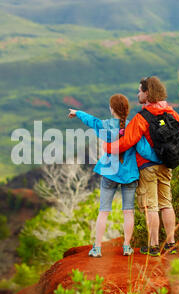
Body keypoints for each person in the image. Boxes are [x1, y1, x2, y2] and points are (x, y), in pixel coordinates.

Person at [68, 93, 160, 257]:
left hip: (109, 173)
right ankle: (126, 247)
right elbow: (144, 150)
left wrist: (77, 113)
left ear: (112, 110)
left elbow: (92, 121)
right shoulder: (134, 126)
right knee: (128, 212)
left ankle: (96, 248)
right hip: (129, 174)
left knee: (103, 211)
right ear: (126, 109)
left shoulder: (105, 125)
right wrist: (160, 159)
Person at [104, 77, 179, 257]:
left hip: (147, 167)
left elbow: (126, 142)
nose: (138, 94)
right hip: (167, 165)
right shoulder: (172, 113)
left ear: (147, 93)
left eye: (140, 91)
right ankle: (171, 243)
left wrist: (107, 148)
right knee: (166, 204)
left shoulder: (142, 117)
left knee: (151, 206)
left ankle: (154, 246)